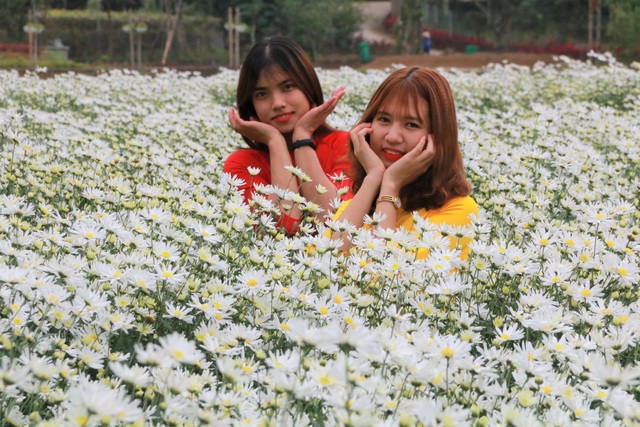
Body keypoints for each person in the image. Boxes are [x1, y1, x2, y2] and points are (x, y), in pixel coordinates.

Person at [331, 66, 478, 260]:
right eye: (384, 119)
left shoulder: (459, 210)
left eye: (411, 124)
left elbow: (384, 281)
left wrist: (390, 185)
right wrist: (374, 177)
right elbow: (326, 262)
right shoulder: (356, 205)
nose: (392, 137)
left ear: (438, 136)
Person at [224, 36, 352, 235]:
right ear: (251, 105)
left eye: (287, 87)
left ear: (308, 86)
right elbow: (284, 226)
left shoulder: (345, 145)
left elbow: (332, 222)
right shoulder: (241, 165)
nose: (277, 103)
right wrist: (275, 142)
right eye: (262, 94)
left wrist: (301, 136)